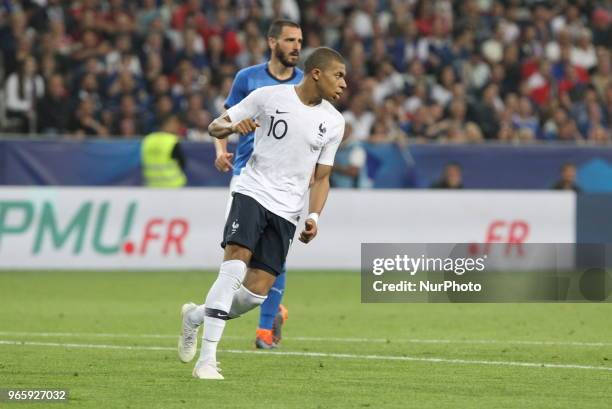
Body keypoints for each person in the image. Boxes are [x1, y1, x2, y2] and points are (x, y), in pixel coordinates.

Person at [179, 47, 347, 379]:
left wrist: (314, 217)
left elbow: (323, 177)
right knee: (234, 265)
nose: (343, 84)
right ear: (317, 73)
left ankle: (196, 317)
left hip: (287, 210)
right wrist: (231, 128)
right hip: (252, 190)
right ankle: (207, 361)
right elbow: (215, 126)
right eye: (338, 75)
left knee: (255, 294)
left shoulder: (334, 122)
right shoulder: (269, 97)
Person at [211, 19, 304, 349]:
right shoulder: (247, 78)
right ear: (272, 42)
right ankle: (269, 306)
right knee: (238, 253)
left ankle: (265, 329)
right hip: (247, 174)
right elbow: (225, 120)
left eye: (299, 41)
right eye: (290, 40)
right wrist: (222, 150)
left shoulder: (306, 83)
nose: (296, 46)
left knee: (273, 258)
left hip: (286, 180)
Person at [141, 114, 187, 188]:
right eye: (175, 123)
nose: (177, 126)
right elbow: (182, 163)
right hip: (173, 186)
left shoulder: (148, 139)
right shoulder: (172, 141)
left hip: (152, 186)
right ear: (167, 124)